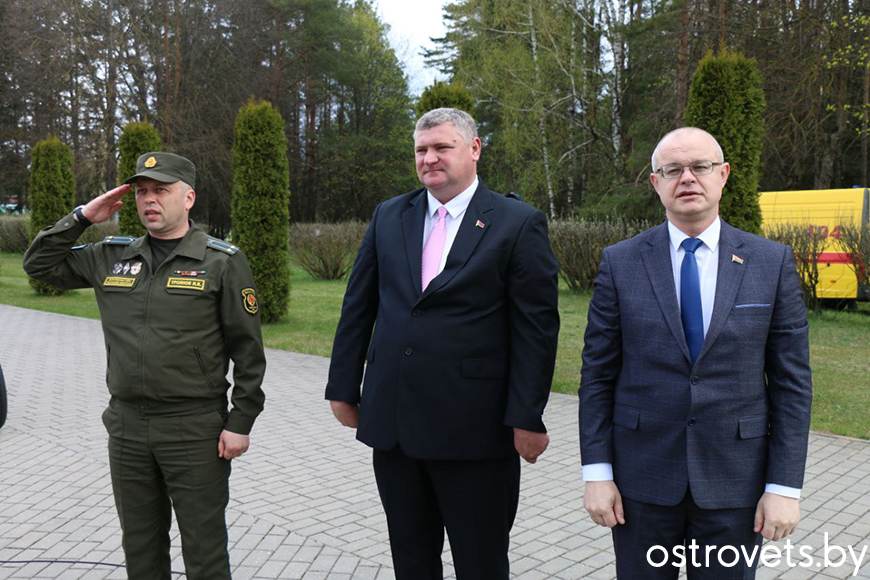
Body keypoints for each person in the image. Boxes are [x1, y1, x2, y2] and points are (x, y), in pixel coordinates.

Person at [325, 108, 560, 579]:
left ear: (474, 150)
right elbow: (358, 306)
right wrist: (343, 388)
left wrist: (526, 417)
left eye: (441, 148)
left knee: (481, 561)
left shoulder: (517, 222)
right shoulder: (391, 214)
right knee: (411, 559)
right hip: (394, 424)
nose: (429, 159)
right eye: (421, 150)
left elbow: (536, 330)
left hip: (475, 430)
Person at [579, 127, 812, 579]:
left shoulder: (771, 263)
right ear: (655, 183)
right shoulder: (620, 262)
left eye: (700, 167)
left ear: (723, 175)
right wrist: (597, 474)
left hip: (736, 485)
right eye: (672, 169)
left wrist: (784, 486)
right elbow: (597, 377)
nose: (687, 178)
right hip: (640, 484)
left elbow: (792, 383)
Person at [23, 152, 266, 580]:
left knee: (205, 552)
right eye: (141, 192)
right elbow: (39, 264)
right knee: (140, 549)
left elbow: (248, 351)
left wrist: (240, 421)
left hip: (194, 429)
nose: (149, 200)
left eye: (161, 190)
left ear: (188, 197)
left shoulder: (220, 261)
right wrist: (82, 217)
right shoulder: (112, 256)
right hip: (128, 427)